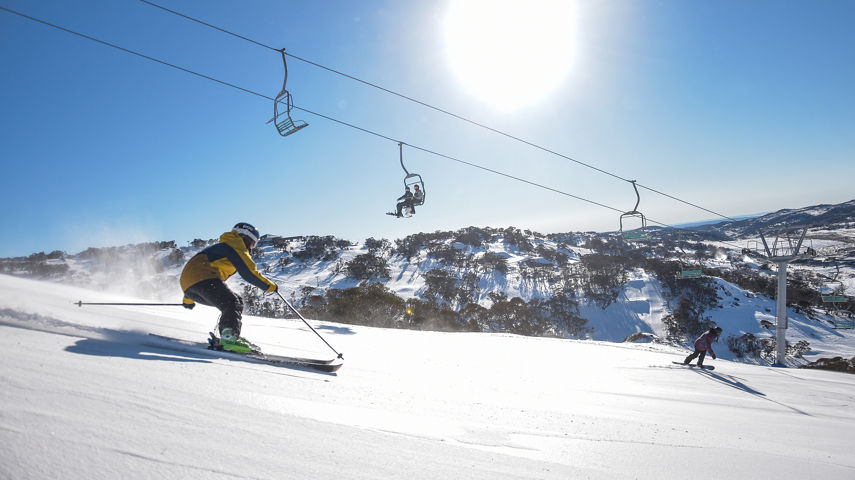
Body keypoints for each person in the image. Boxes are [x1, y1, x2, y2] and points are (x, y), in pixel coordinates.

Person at [179, 222, 278, 353]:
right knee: (232, 302)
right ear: (246, 237)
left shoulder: (224, 246)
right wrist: (269, 286)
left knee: (235, 300)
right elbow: (249, 272)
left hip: (190, 285)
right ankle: (229, 339)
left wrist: (188, 298)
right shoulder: (236, 246)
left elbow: (194, 274)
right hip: (204, 279)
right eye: (253, 243)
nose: (252, 247)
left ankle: (230, 335)